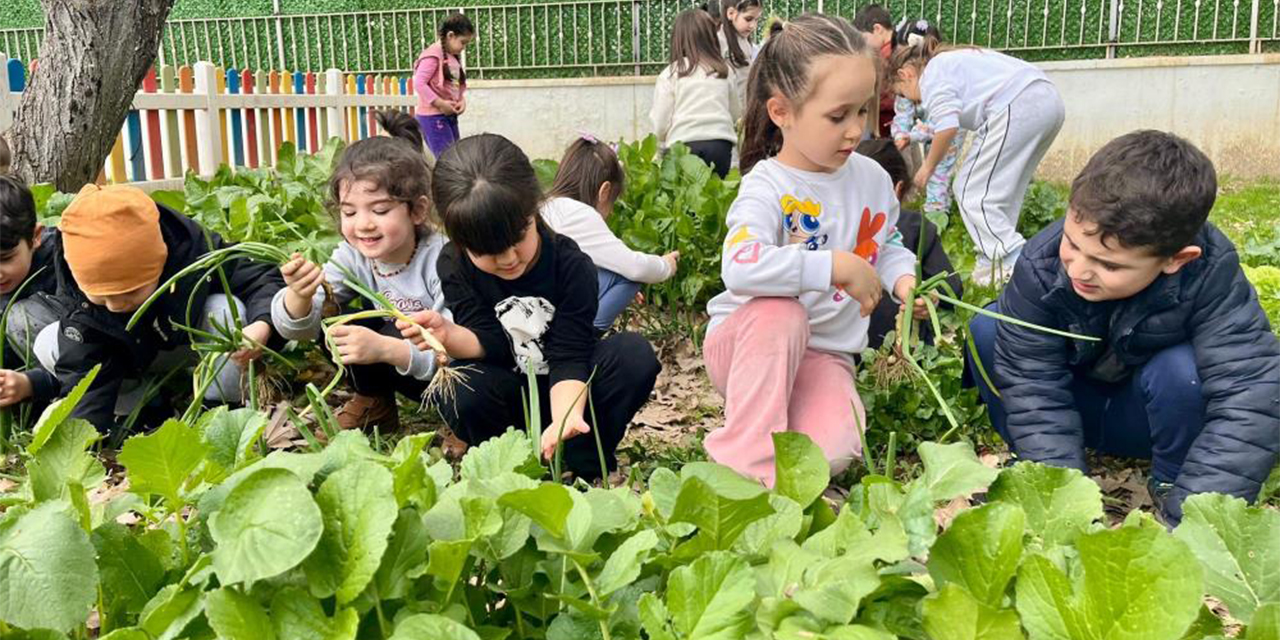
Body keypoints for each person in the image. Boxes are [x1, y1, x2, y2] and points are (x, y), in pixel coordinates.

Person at [967, 130, 1280, 526]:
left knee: (1183, 371)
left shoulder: (1211, 275)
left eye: (1109, 265)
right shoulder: (1041, 265)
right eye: (1072, 243)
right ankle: (1038, 464)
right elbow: (1031, 383)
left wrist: (1197, 521)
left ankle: (1171, 482)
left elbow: (1250, 391)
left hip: (1147, 421)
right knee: (991, 330)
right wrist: (1059, 499)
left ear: (1176, 260)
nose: (1079, 269)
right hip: (1073, 404)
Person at [706, 14, 925, 486]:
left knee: (832, 454)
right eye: (837, 116)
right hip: (749, 344)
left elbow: (886, 242)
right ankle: (743, 471)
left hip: (825, 353)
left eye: (863, 111)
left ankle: (776, 424)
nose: (855, 130)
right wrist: (830, 266)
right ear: (781, 111)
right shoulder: (767, 186)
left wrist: (903, 280)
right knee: (782, 315)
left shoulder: (870, 179)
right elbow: (739, 268)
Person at [396, 134, 660, 480]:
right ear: (460, 241)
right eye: (486, 251)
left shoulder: (571, 265)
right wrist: (449, 334)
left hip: (571, 393)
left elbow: (570, 355)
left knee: (632, 355)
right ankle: (508, 466)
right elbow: (489, 343)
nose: (508, 259)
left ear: (535, 208)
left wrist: (565, 418)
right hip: (509, 397)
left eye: (517, 237)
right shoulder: (454, 264)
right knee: (462, 387)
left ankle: (582, 461)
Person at [30, 184, 286, 433]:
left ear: (161, 261)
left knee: (223, 310)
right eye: (101, 297)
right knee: (54, 341)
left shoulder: (194, 253)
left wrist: (262, 324)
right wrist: (82, 440)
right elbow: (83, 369)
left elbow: (261, 276)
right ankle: (142, 411)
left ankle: (220, 412)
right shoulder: (80, 295)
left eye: (130, 292)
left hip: (192, 346)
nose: (116, 305)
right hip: (131, 358)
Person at [271, 110, 449, 432]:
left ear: (418, 210)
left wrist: (383, 348)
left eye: (380, 210)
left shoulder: (441, 260)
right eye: (349, 212)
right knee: (335, 319)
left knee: (400, 333)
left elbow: (455, 350)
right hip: (400, 362)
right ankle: (374, 400)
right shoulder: (353, 256)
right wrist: (299, 295)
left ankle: (460, 420)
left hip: (449, 374)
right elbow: (297, 328)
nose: (364, 224)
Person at [888, 35, 1065, 285]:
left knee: (969, 190)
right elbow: (944, 124)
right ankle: (993, 262)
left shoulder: (932, 74)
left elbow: (947, 127)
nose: (914, 102)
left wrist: (927, 168)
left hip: (1018, 104)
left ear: (905, 73)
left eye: (904, 94)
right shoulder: (947, 62)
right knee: (1003, 191)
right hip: (1046, 101)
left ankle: (1013, 259)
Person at [541, 135, 679, 331]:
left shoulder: (547, 205)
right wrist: (666, 266)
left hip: (536, 308)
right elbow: (634, 267)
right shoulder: (580, 214)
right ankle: (584, 339)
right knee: (629, 276)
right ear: (604, 191)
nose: (611, 211)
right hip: (557, 323)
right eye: (613, 202)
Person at [855, 139, 962, 349]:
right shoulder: (915, 224)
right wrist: (929, 296)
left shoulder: (841, 224)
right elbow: (952, 287)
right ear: (899, 187)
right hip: (901, 344)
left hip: (850, 342)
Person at [650, 9, 742, 178]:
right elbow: (736, 112)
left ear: (678, 39)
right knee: (715, 196)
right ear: (711, 37)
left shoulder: (671, 73)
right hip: (720, 145)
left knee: (685, 199)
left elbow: (660, 122)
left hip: (683, 146)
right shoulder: (724, 71)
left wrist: (660, 143)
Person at [889, 18, 962, 219]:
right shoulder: (906, 77)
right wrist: (901, 135)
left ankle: (935, 219)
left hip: (948, 132)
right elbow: (902, 114)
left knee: (938, 173)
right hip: (929, 129)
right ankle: (937, 206)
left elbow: (942, 127)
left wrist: (912, 137)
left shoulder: (941, 79)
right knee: (934, 174)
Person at [0, 175, 61, 410]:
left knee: (20, 318)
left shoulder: (64, 261)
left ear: (35, 237)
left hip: (91, 369)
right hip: (25, 386)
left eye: (6, 259)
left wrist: (33, 383)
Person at [413, 12, 475, 160]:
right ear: (451, 35)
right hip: (433, 118)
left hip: (448, 115)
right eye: (463, 42)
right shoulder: (433, 55)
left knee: (456, 159)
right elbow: (419, 83)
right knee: (447, 162)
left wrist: (461, 100)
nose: (464, 47)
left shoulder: (451, 56)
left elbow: (453, 85)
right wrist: (440, 104)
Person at [852, 3, 897, 138]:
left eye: (864, 38)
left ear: (877, 29)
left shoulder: (884, 56)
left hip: (888, 125)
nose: (862, 44)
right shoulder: (898, 49)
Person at [718, 0, 763, 108]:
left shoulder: (745, 41)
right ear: (731, 13)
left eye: (757, 20)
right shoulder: (719, 42)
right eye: (748, 19)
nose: (753, 26)